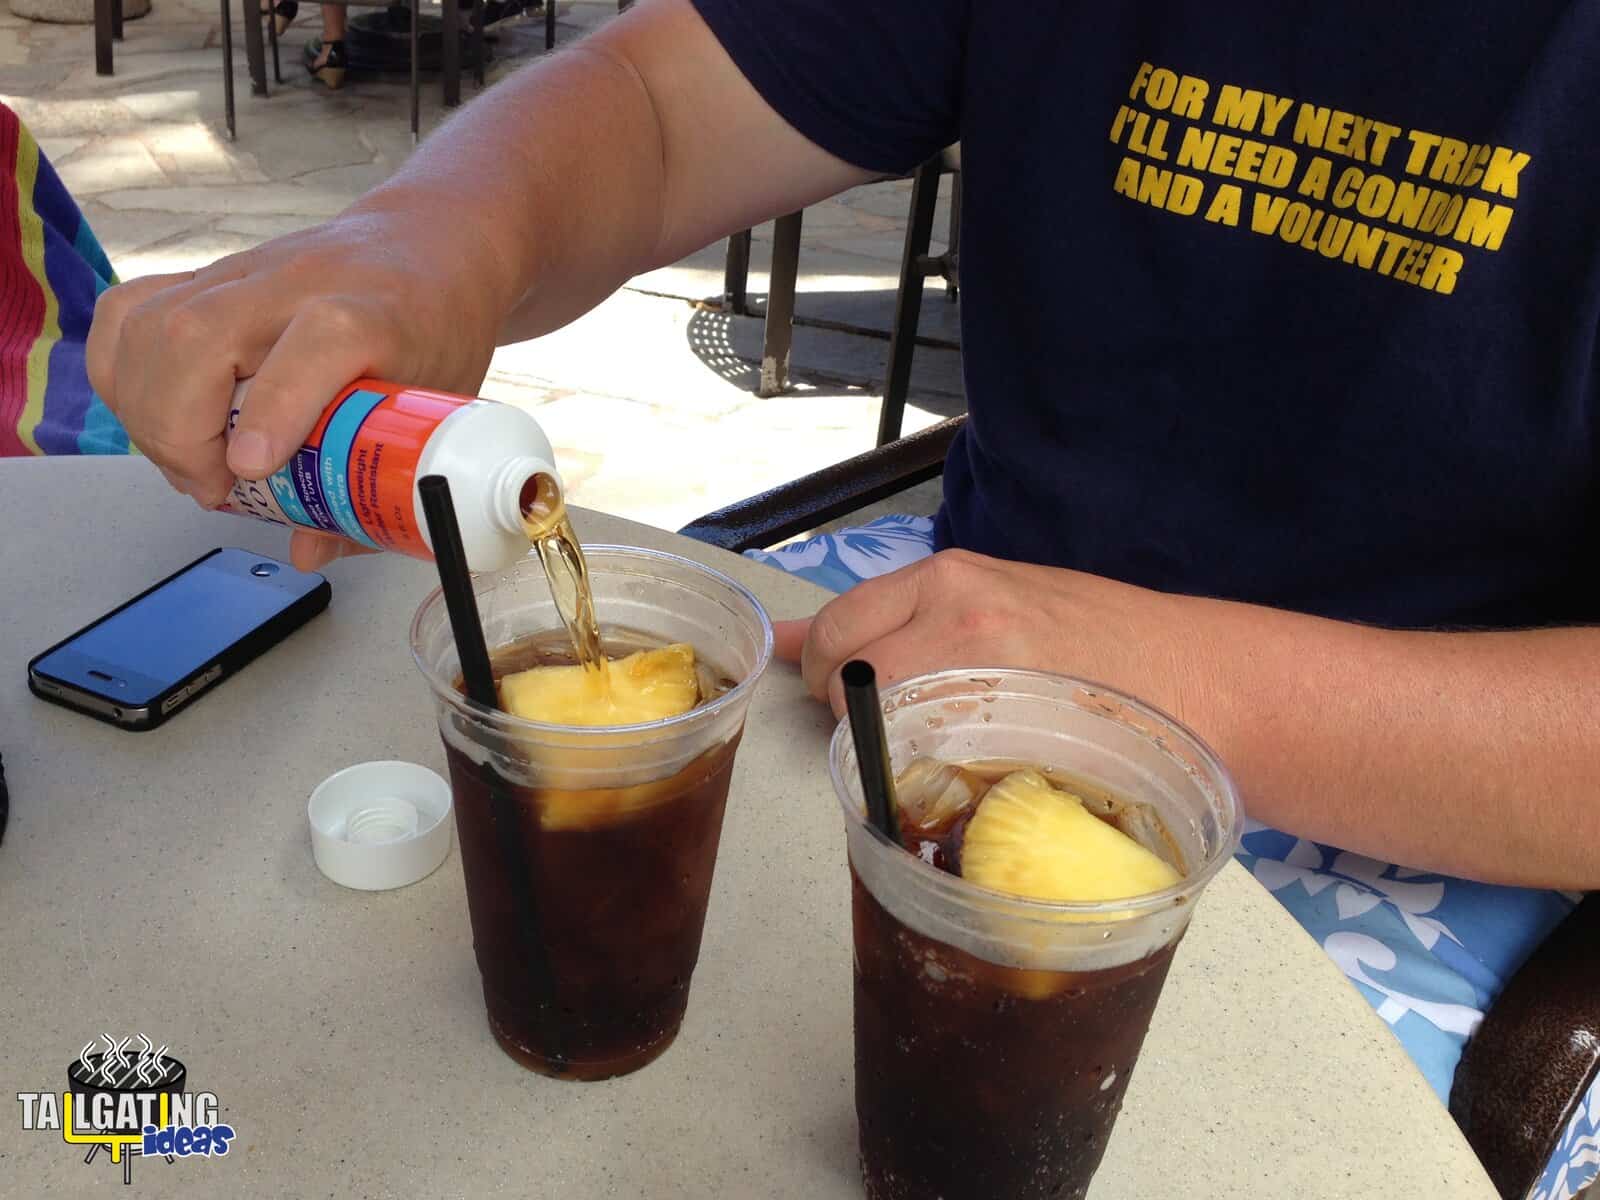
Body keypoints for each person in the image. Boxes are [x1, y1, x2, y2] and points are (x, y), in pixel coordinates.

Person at [80, 0, 1599, 1187]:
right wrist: (426, 246)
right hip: (960, 636)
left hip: (1436, 802)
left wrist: (1175, 677)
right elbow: (660, 101)